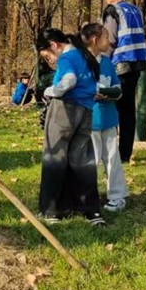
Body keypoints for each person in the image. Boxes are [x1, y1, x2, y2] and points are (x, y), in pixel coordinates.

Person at [35, 28, 104, 226]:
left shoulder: (66, 59)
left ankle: (51, 211)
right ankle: (91, 211)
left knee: (54, 158)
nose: (51, 60)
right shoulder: (85, 55)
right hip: (87, 111)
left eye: (48, 56)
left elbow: (69, 80)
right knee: (82, 161)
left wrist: (50, 90)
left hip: (64, 110)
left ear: (54, 46)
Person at [82, 23, 129, 212]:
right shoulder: (79, 62)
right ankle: (88, 197)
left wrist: (110, 93)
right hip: (88, 120)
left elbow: (118, 89)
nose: (109, 41)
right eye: (105, 37)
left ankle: (117, 197)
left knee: (112, 158)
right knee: (89, 161)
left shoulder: (107, 62)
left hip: (108, 119)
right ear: (95, 40)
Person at [102, 0, 146, 163]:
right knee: (128, 112)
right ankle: (125, 155)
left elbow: (109, 39)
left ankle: (112, 154)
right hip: (137, 63)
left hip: (119, 65)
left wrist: (101, 62)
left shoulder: (113, 11)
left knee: (113, 110)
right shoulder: (135, 9)